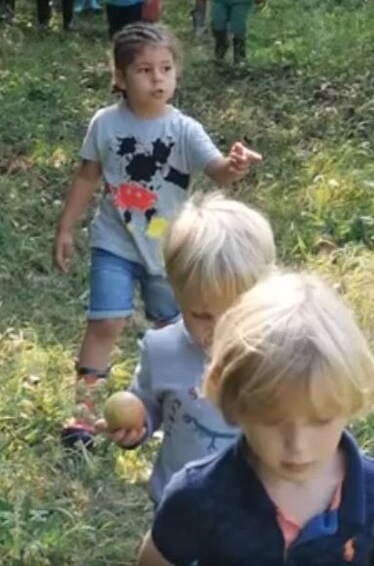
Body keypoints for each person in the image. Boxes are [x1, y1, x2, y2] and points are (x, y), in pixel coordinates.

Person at [52, 22, 262, 448]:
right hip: (115, 240)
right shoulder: (106, 124)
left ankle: (168, 407)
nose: (158, 78)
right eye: (145, 70)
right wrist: (65, 228)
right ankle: (84, 414)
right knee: (105, 321)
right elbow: (88, 175)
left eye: (166, 68)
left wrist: (235, 165)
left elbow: (217, 171)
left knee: (177, 330)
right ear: (120, 77)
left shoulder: (184, 129)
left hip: (170, 248)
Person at [137, 272, 374, 566]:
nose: (298, 445)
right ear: (236, 405)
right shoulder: (198, 496)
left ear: (351, 401)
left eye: (320, 421)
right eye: (271, 420)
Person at [97, 193, 276, 503]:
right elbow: (148, 404)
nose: (220, 329)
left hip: (257, 507)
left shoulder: (278, 356)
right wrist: (137, 427)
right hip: (180, 504)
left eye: (236, 313)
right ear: (177, 295)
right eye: (202, 314)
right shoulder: (162, 349)